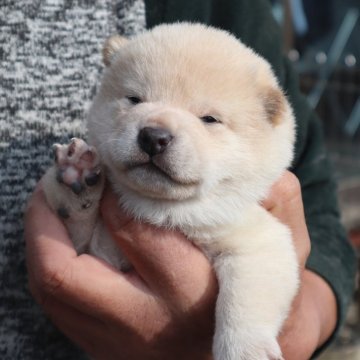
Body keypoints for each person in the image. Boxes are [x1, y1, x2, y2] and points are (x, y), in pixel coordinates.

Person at [0, 0, 356, 359]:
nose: (156, 133)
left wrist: (252, 337)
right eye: (136, 98)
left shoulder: (235, 208)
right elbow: (78, 246)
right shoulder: (100, 168)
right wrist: (72, 199)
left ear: (270, 118)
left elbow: (273, 250)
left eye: (209, 119)